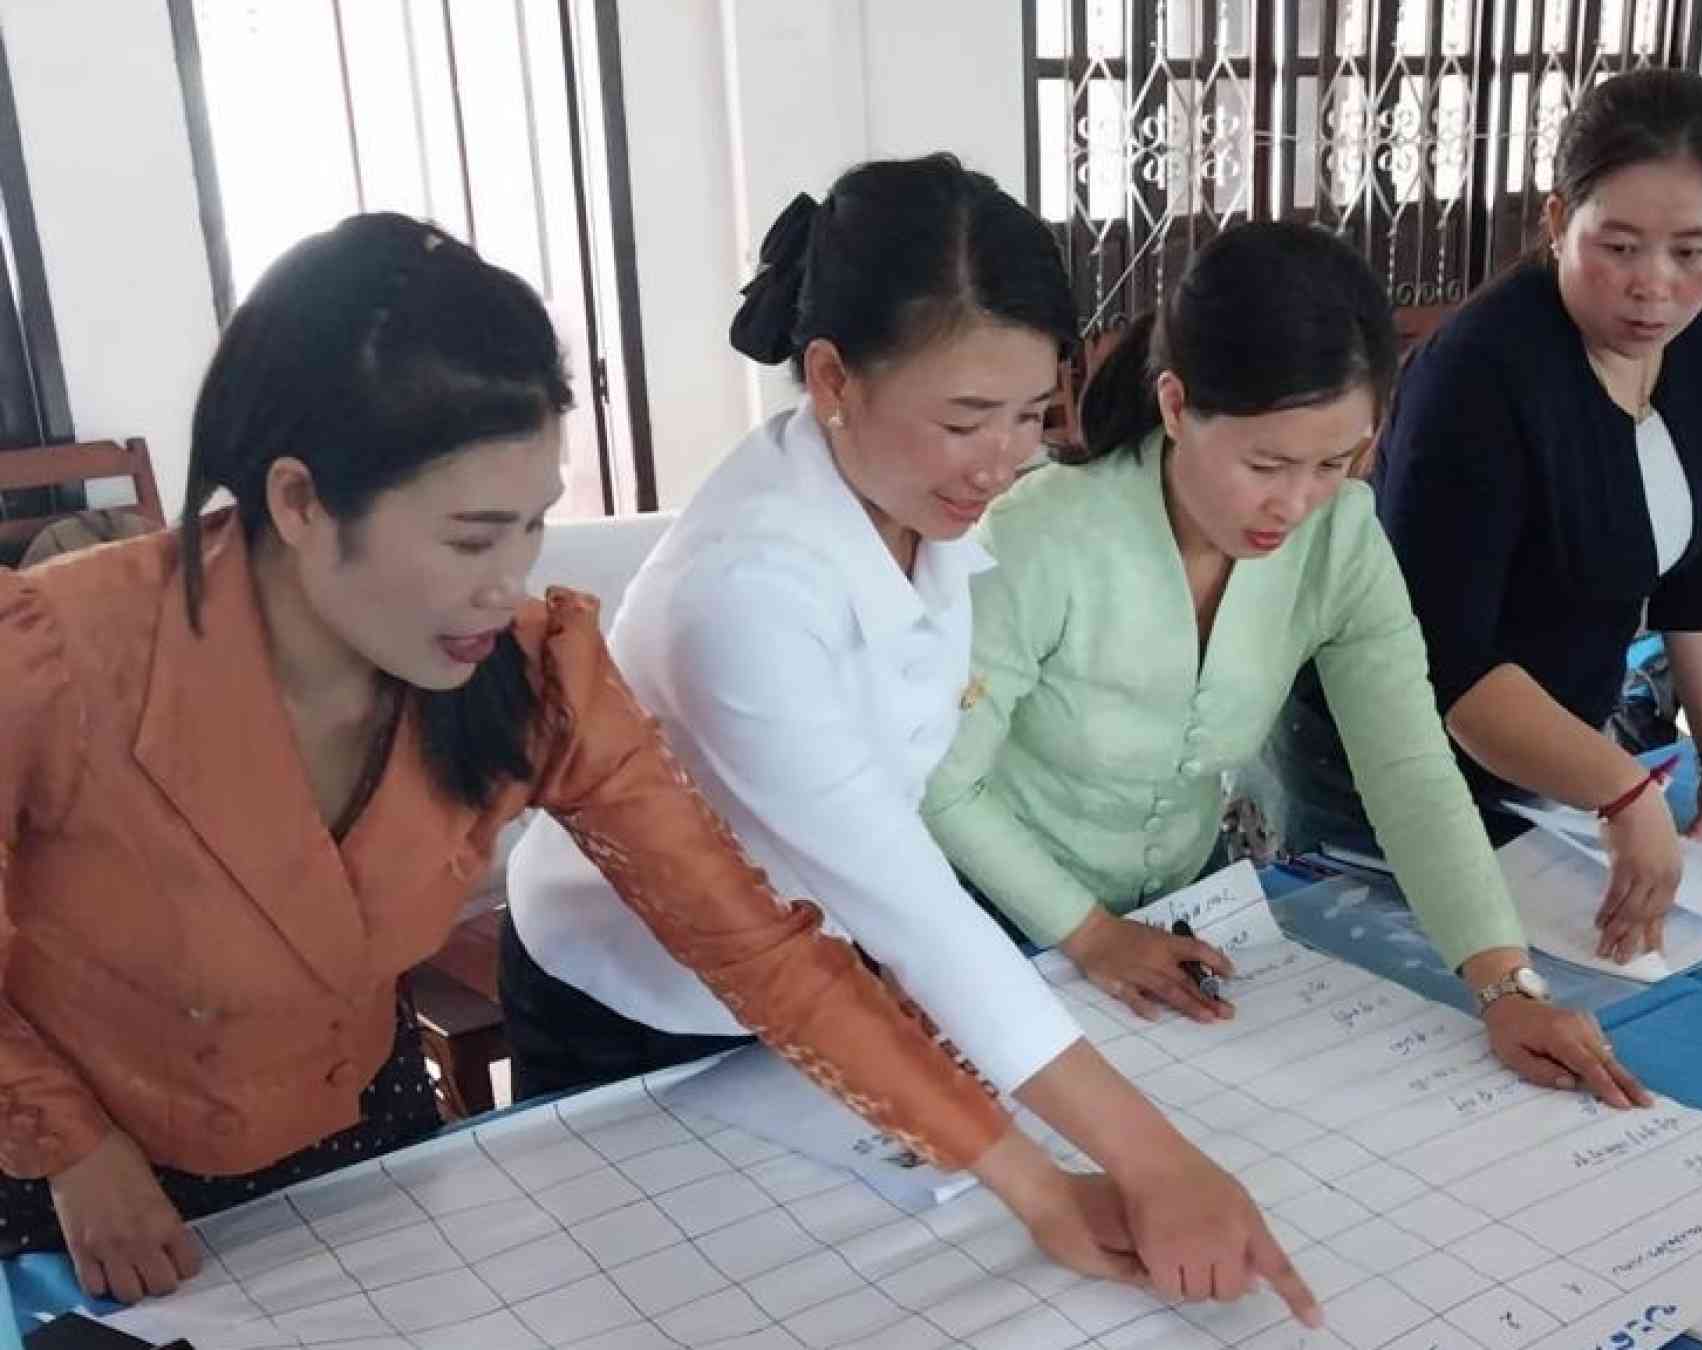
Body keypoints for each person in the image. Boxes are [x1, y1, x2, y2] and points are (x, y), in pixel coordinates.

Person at [0, 215, 1160, 1307]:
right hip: (82, 1171)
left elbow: (756, 947)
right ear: (302, 501)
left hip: (358, 1124)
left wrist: (1038, 1185)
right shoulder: (59, 662)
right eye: (467, 536)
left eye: (531, 525)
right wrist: (71, 1144)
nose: (506, 583)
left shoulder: (529, 672)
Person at [503, 157, 1314, 1317]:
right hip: (635, 1008)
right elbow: (904, 897)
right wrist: (1152, 1159)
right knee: (664, 1307)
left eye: (1031, 416)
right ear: (831, 377)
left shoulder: (908, 509)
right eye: (963, 419)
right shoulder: (748, 594)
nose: (1002, 461)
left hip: (813, 977)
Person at [922, 221, 1650, 1108]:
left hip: (1175, 919)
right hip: (994, 921)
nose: (1296, 503)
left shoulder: (1342, 536)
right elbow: (943, 786)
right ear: (1177, 405)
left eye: (1336, 462)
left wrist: (1503, 984)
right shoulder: (1045, 535)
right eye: (1266, 464)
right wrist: (1091, 936)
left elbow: (1410, 770)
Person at [1261, 68, 1702, 967]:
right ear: (1557, 218)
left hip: (1556, 759)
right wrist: (1623, 794)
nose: (1655, 288)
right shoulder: (1479, 373)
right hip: (1392, 765)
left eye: (1694, 251)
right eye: (1618, 246)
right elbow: (1445, 663)